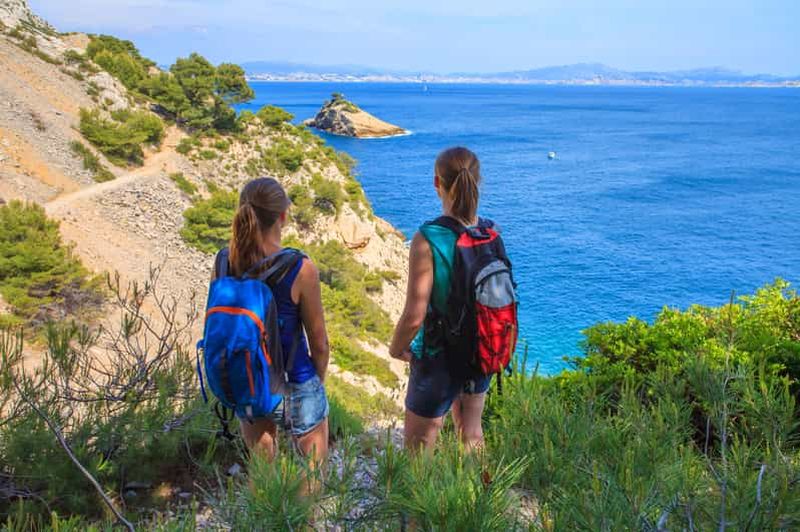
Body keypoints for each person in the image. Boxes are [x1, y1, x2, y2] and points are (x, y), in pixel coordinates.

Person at [213, 177, 330, 464]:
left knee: (263, 479)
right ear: (283, 216)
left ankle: (260, 510)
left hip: (247, 378)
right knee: (311, 483)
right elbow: (320, 343)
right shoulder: (299, 268)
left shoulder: (224, 261)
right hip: (294, 381)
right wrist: (315, 384)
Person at [389, 146, 497, 452]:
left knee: (420, 445)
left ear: (438, 183)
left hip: (438, 355)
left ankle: (419, 501)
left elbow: (415, 314)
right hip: (481, 350)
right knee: (472, 433)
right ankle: (475, 498)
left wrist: (397, 349)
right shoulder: (491, 232)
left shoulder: (429, 238)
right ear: (479, 181)